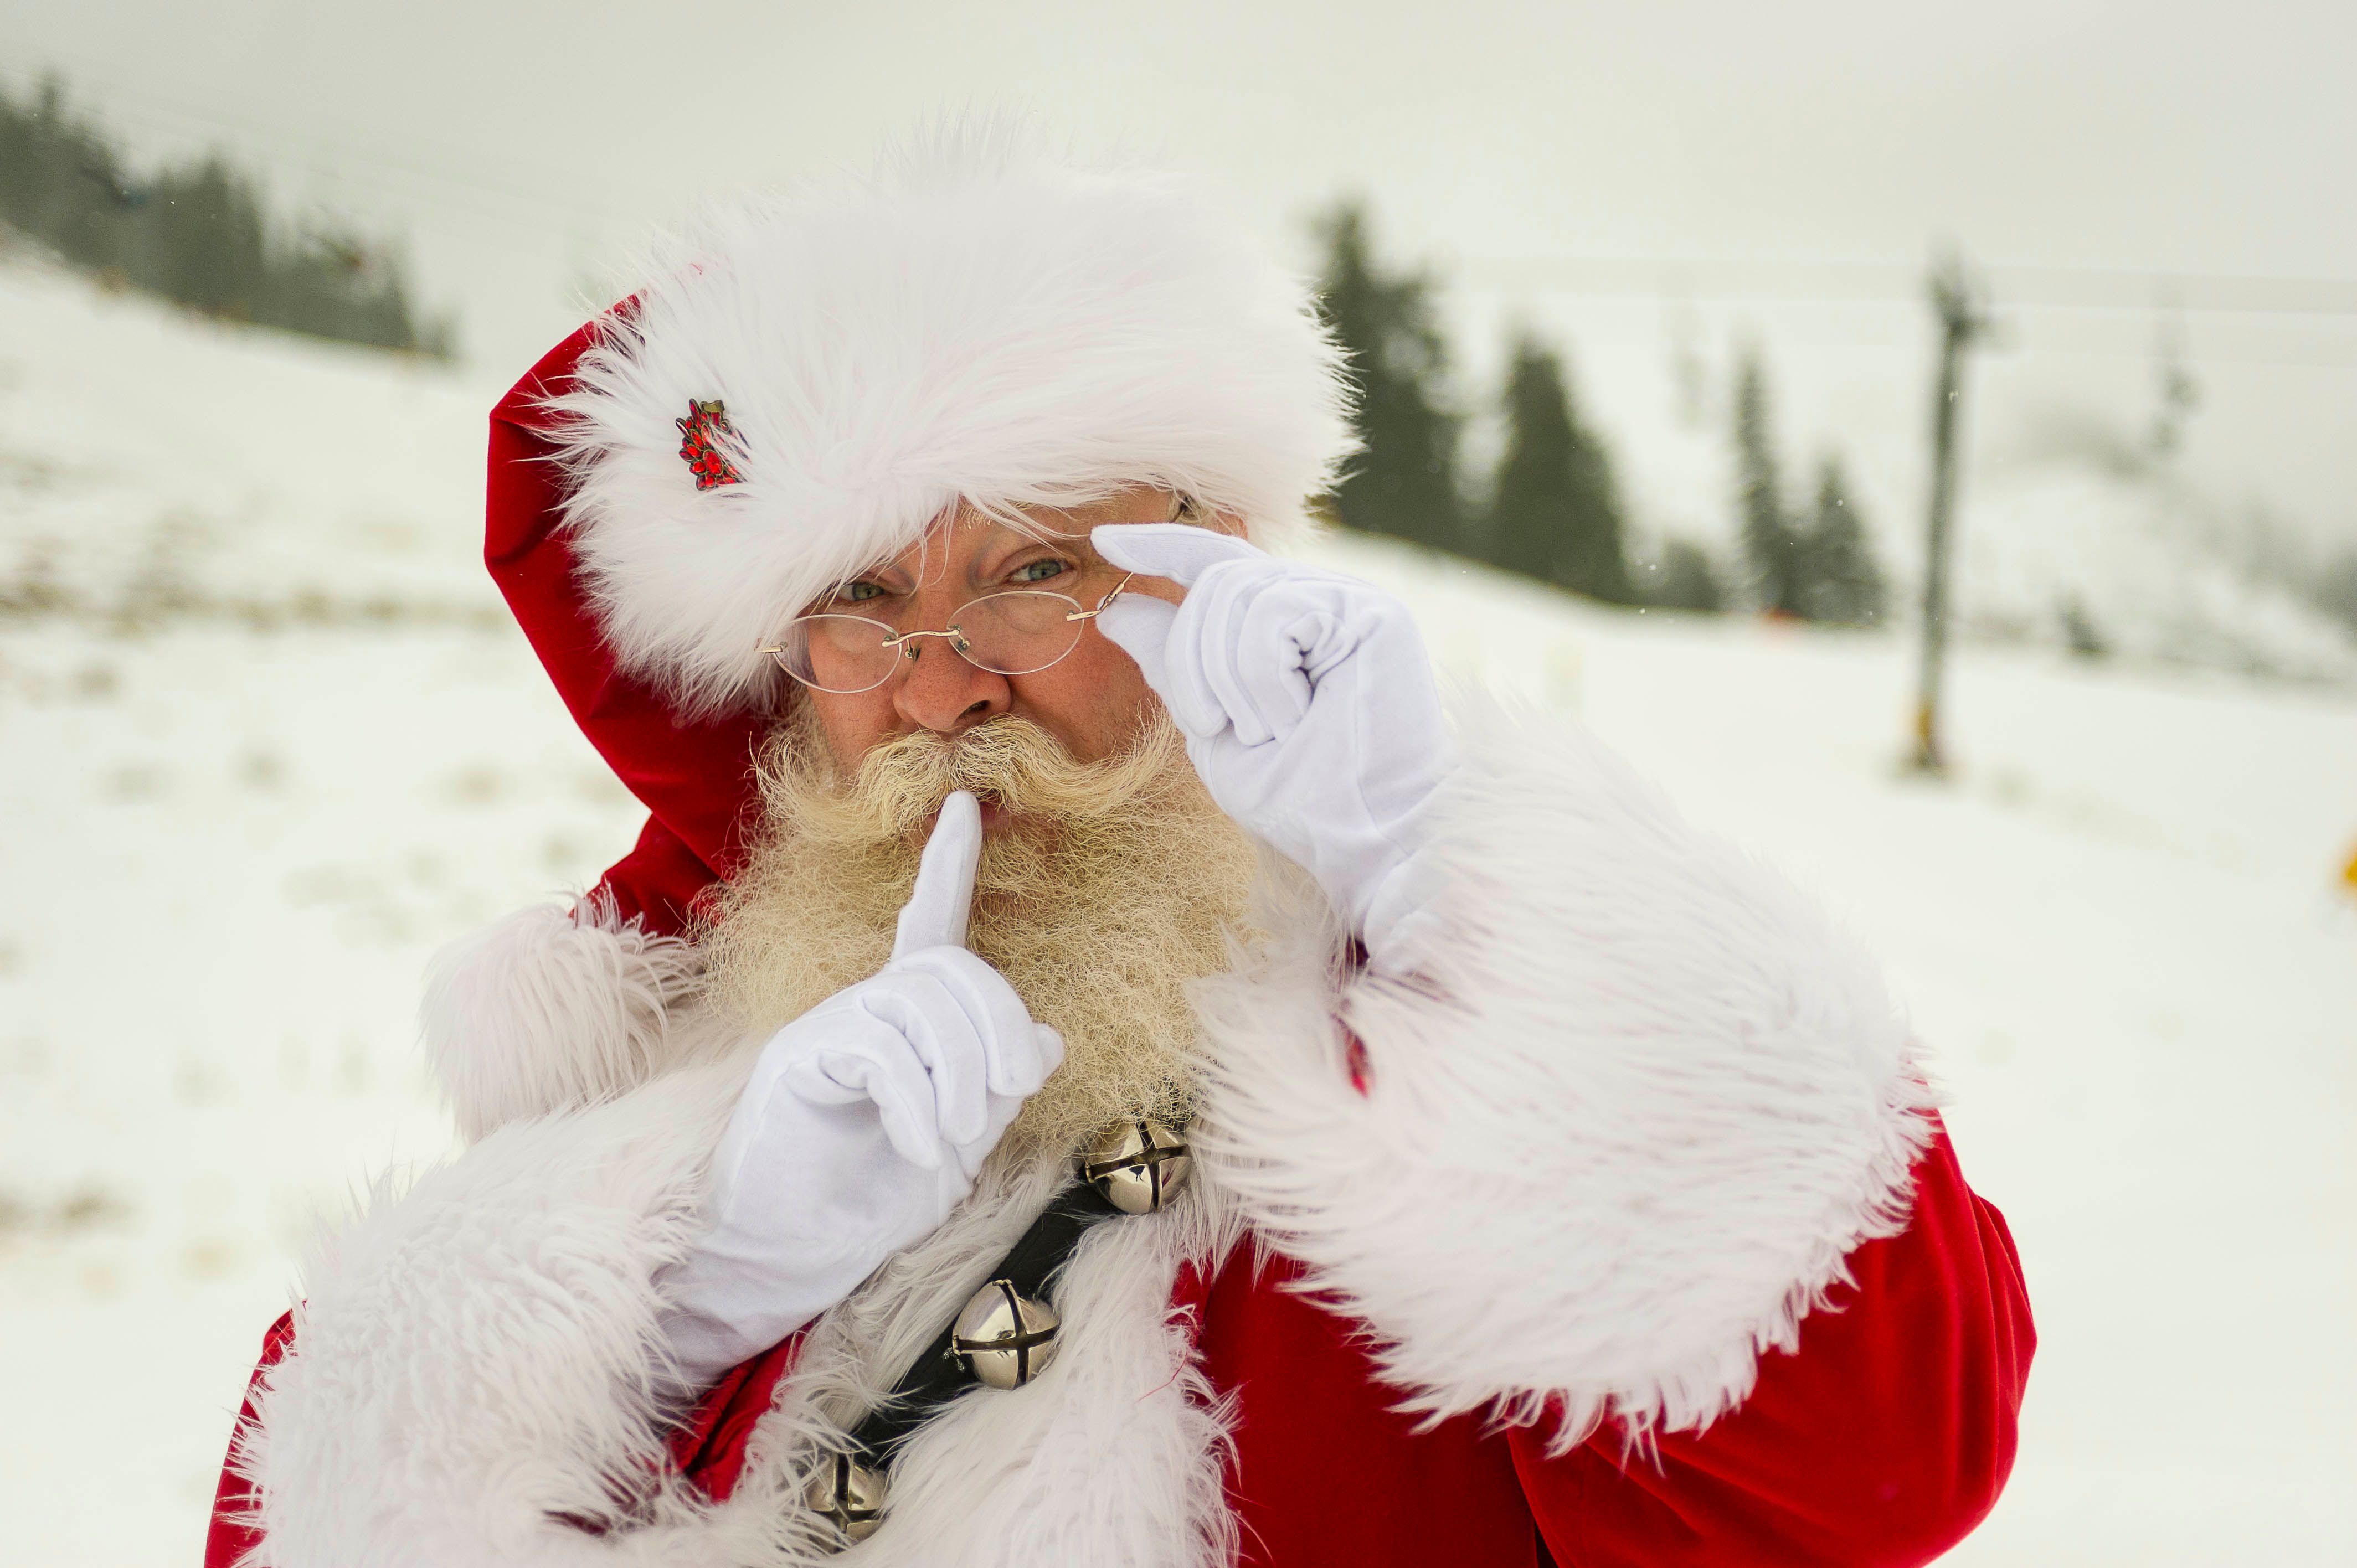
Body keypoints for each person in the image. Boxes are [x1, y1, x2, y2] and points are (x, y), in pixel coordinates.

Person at [204, 140, 2031, 1568]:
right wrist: (680, 1305)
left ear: (1208, 570)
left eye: (1030, 572)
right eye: (858, 598)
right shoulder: (659, 1051)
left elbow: (1888, 1461)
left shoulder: (1420, 1037)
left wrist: (1443, 881)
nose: (937, 689)